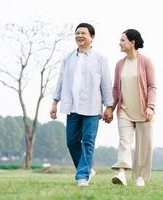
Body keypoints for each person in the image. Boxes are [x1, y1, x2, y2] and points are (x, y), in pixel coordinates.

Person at [50, 22, 113, 187]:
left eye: (83, 33)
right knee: (71, 141)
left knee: (88, 141)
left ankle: (82, 177)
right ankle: (86, 169)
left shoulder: (100, 59)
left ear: (92, 37)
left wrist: (109, 106)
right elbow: (61, 81)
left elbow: (106, 84)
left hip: (92, 108)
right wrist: (55, 102)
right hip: (72, 107)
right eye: (77, 33)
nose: (79, 36)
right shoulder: (68, 57)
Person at [111, 29, 156, 187]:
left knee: (145, 146)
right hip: (125, 110)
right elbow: (116, 88)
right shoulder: (119, 64)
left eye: (123, 40)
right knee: (125, 142)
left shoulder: (146, 62)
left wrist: (150, 107)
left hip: (144, 112)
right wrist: (110, 108)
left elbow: (152, 87)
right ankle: (121, 173)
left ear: (133, 42)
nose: (120, 43)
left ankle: (140, 178)